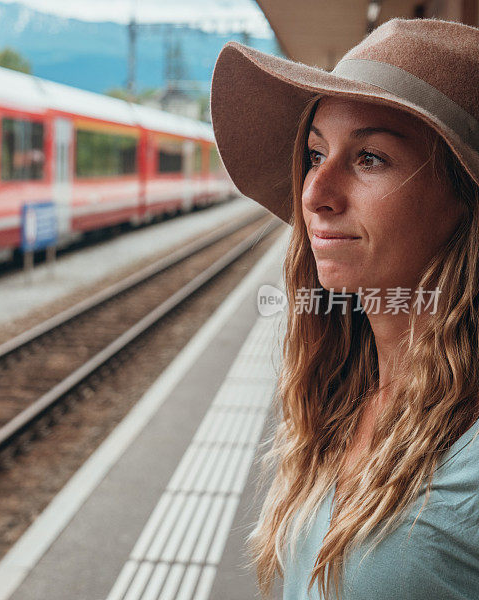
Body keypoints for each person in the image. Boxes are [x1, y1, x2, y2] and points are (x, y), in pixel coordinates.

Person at [209, 17, 479, 600]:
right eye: (314, 154)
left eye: (370, 158)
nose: (315, 192)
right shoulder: (341, 398)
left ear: (465, 194)